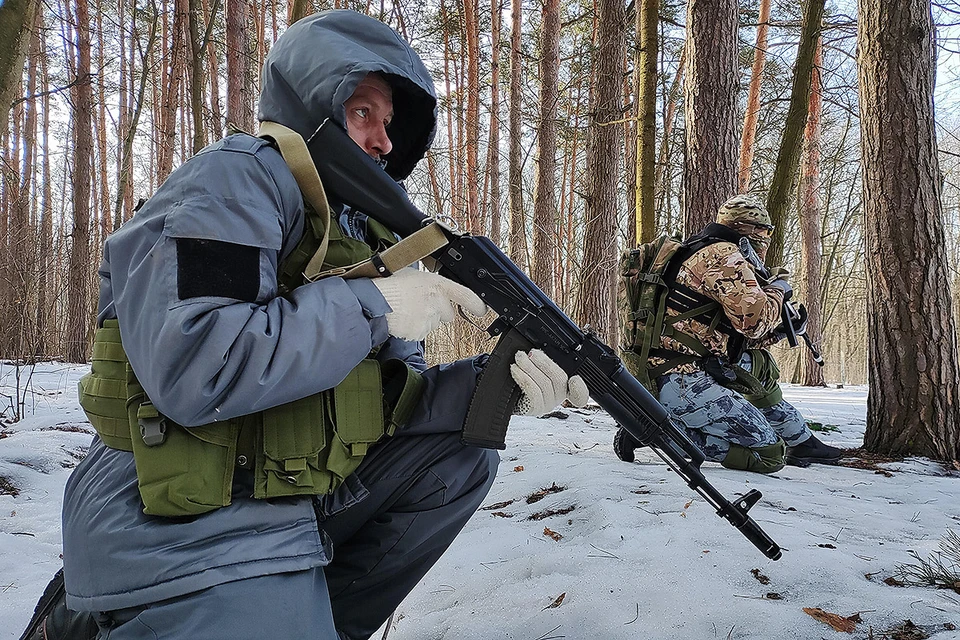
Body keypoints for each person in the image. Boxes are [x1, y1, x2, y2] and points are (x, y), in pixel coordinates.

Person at [23, 11, 587, 640]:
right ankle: (97, 618)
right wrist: (377, 305)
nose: (383, 142)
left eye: (390, 125)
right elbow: (195, 371)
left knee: (462, 452)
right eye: (363, 112)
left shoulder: (358, 229)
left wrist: (492, 384)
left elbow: (391, 402)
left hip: (284, 492)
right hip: (174, 504)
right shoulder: (232, 181)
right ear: (311, 101)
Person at [614, 194, 842, 474]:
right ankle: (655, 434)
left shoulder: (700, 249)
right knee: (770, 454)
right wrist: (779, 290)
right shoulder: (723, 255)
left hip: (670, 368)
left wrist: (782, 330)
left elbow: (731, 336)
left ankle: (800, 439)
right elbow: (754, 322)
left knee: (760, 367)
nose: (767, 241)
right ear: (751, 232)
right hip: (679, 378)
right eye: (765, 233)